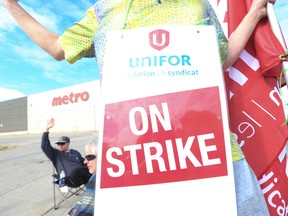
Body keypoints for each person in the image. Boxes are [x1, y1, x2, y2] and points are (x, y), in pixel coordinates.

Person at [2, 0, 274, 215]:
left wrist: (253, 13)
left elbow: (222, 59)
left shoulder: (197, 5)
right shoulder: (105, 9)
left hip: (210, 150)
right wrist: (11, 5)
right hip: (134, 159)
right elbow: (57, 47)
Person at [42, 118, 91, 187]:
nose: (60, 145)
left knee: (92, 166)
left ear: (68, 143)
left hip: (81, 178)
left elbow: (85, 162)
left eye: (62, 143)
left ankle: (93, 191)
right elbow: (44, 146)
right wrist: (46, 129)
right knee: (76, 169)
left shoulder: (75, 153)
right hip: (69, 180)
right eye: (58, 144)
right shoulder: (56, 154)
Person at [68, 139, 97, 216]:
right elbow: (85, 201)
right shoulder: (95, 176)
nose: (85, 161)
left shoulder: (96, 180)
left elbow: (84, 213)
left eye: (89, 157)